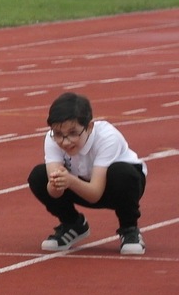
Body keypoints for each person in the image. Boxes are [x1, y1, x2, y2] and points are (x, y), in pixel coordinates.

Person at [29, 91, 148, 255]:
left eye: (73, 133)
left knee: (122, 173)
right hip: (82, 184)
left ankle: (129, 229)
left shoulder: (107, 137)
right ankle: (73, 224)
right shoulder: (51, 139)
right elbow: (54, 193)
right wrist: (55, 182)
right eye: (58, 134)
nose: (65, 141)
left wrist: (69, 181)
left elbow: (95, 194)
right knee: (38, 176)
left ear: (89, 127)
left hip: (115, 188)